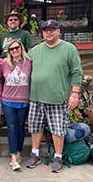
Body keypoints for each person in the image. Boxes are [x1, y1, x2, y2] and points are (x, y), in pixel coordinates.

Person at [26, 19, 82, 173]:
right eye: (46, 30)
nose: (48, 33)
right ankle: (35, 154)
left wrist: (75, 94)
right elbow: (22, 67)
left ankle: (58, 157)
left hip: (57, 98)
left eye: (52, 30)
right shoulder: (34, 51)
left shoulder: (69, 49)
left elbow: (77, 72)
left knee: (58, 129)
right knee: (35, 127)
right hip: (36, 97)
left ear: (59, 31)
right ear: (42, 33)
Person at [1, 39, 32, 171]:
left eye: (16, 48)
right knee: (12, 128)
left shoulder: (29, 62)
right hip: (8, 100)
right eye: (11, 49)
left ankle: (19, 152)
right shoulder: (4, 63)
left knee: (20, 128)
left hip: (23, 100)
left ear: (21, 48)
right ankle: (13, 157)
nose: (14, 50)